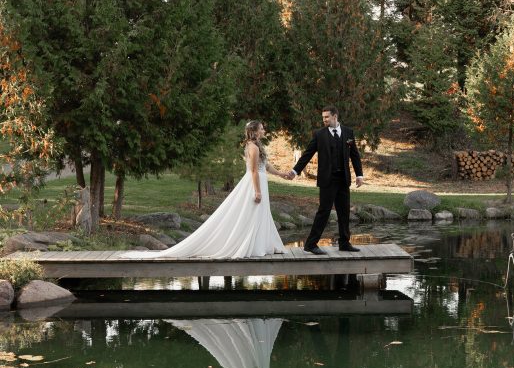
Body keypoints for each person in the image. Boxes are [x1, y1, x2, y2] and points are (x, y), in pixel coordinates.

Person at [134, 120, 288, 258]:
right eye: (261, 129)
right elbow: (254, 170)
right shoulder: (252, 147)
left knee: (260, 212)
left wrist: (281, 174)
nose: (263, 131)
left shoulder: (257, 146)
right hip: (254, 183)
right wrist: (257, 191)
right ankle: (248, 245)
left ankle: (260, 244)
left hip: (260, 181)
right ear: (254, 131)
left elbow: (265, 166)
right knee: (252, 212)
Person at [285, 105, 363, 255]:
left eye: (326, 117)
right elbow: (307, 154)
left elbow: (354, 155)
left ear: (335, 116)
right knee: (324, 212)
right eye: (323, 117)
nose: (324, 120)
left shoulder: (348, 133)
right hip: (328, 180)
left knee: (344, 211)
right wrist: (295, 171)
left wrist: (359, 175)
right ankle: (310, 244)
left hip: (343, 179)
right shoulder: (319, 134)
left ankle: (344, 243)